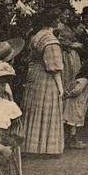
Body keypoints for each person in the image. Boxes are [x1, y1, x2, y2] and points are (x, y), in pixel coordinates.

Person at [22, 8, 65, 156]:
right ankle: (46, 148)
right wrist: (60, 88)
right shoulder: (51, 40)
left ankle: (31, 146)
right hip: (46, 78)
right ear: (54, 22)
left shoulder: (37, 36)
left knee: (34, 110)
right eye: (59, 20)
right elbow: (54, 68)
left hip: (33, 76)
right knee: (47, 109)